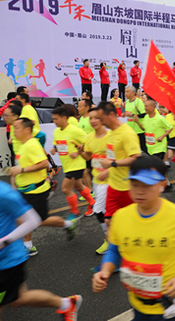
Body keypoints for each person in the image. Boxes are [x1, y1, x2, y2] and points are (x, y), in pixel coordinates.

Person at [92, 155, 175, 321]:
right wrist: (105, 271)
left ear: (162, 184)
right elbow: (114, 250)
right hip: (138, 305)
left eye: (147, 185)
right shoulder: (120, 217)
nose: (140, 191)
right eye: (135, 184)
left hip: (173, 308)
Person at [0, 182, 82, 320]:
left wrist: (4, 242)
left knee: (15, 299)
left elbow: (33, 220)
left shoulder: (3, 193)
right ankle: (66, 304)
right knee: (18, 298)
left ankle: (68, 224)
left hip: (7, 260)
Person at [9, 117, 77, 256]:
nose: (13, 130)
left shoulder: (32, 145)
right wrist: (14, 181)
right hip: (25, 190)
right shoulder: (23, 144)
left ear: (27, 129)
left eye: (16, 127)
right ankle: (27, 245)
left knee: (37, 220)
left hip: (36, 191)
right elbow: (21, 166)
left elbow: (45, 164)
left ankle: (68, 224)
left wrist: (21, 171)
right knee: (23, 218)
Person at [97, 101, 142, 227]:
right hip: (113, 186)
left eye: (101, 118)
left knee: (132, 224)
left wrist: (112, 164)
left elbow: (136, 158)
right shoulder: (111, 132)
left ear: (111, 114)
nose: (100, 122)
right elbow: (116, 157)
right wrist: (108, 170)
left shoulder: (127, 133)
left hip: (127, 188)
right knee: (109, 221)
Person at [50, 107, 96, 219]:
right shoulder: (56, 131)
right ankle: (93, 204)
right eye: (53, 119)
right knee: (79, 186)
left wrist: (78, 151)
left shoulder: (75, 130)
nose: (54, 121)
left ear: (64, 118)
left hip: (77, 165)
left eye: (56, 119)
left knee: (66, 189)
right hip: (67, 165)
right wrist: (54, 149)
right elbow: (57, 143)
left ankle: (74, 211)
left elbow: (89, 142)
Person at [81, 108, 112, 255]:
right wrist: (81, 151)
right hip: (97, 180)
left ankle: (110, 241)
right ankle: (114, 239)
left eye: (96, 118)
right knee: (107, 211)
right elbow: (88, 157)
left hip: (111, 180)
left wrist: (108, 170)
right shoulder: (90, 137)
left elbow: (118, 159)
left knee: (99, 210)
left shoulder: (111, 136)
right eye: (90, 118)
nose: (92, 120)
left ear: (102, 119)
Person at [124, 86, 147, 153]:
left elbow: (144, 114)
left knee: (143, 148)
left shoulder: (138, 102)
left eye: (127, 91)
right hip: (130, 130)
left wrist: (132, 115)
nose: (125, 93)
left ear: (133, 93)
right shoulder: (127, 102)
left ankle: (152, 161)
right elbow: (128, 114)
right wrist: (125, 114)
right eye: (125, 91)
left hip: (139, 130)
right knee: (133, 148)